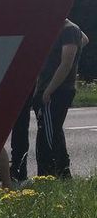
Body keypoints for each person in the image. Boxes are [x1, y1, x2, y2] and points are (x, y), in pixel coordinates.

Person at [33, 19, 88, 178]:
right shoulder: (62, 30)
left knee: (47, 134)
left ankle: (48, 174)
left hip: (57, 90)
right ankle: (62, 173)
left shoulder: (69, 30)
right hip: (47, 87)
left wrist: (49, 90)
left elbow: (66, 64)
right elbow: (84, 39)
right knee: (52, 131)